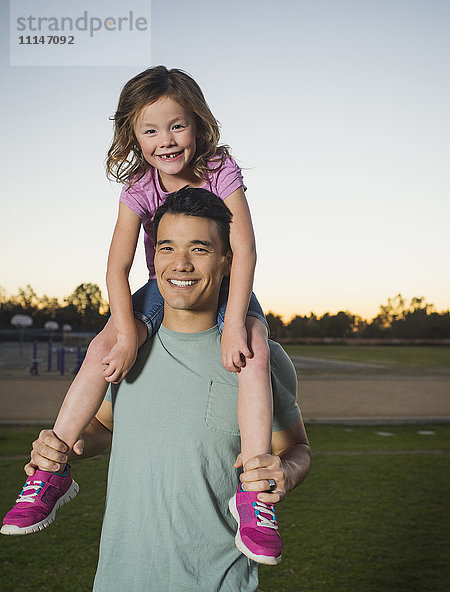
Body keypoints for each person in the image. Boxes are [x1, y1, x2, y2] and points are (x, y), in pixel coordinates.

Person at [3, 66, 279, 562]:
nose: (166, 141)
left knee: (254, 350)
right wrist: (127, 333)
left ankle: (254, 493)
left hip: (221, 280)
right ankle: (52, 469)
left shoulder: (220, 170)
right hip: (160, 286)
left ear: (197, 124)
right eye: (150, 130)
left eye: (177, 126)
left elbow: (245, 251)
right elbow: (117, 267)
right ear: (133, 135)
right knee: (102, 347)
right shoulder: (140, 187)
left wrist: (235, 321)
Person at [24, 188, 311, 591]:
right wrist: (61, 448)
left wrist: (285, 471)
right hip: (120, 577)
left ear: (228, 260)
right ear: (153, 257)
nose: (181, 264)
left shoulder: (257, 357)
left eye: (199, 249)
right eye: (167, 248)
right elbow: (102, 429)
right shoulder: (125, 349)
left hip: (218, 580)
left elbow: (297, 448)